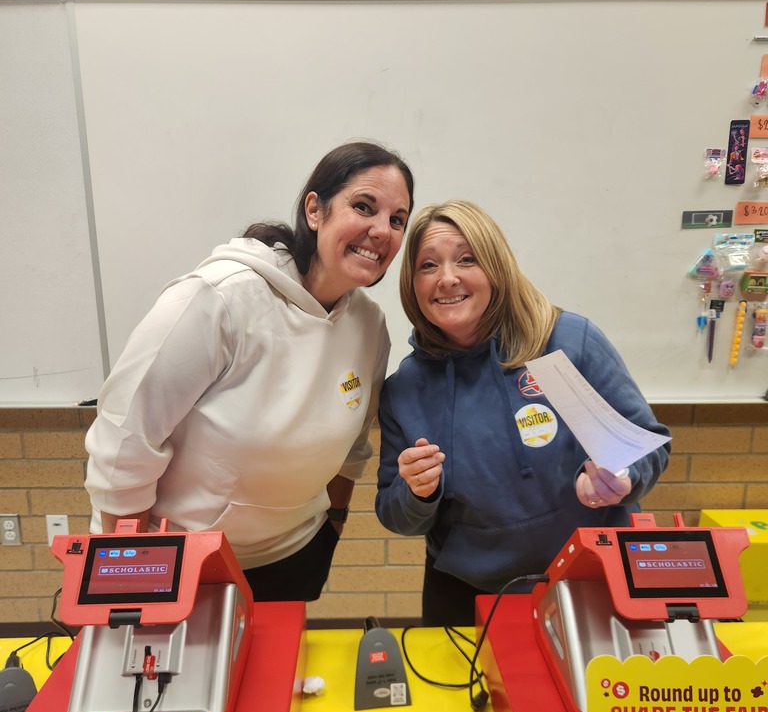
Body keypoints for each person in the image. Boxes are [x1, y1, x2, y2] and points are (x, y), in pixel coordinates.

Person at [85, 140, 414, 601]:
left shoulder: (370, 327)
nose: (382, 230)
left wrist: (333, 527)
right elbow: (125, 443)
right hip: (183, 560)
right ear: (315, 210)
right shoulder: (218, 298)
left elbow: (351, 450)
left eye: (397, 219)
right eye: (364, 207)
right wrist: (128, 574)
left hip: (295, 555)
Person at [375, 200, 670, 626]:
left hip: (591, 574)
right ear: (412, 284)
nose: (447, 278)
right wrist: (417, 493)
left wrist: (622, 476)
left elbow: (647, 444)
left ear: (495, 267)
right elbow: (395, 515)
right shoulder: (405, 389)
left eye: (466, 259)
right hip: (467, 593)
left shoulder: (565, 342)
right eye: (427, 265)